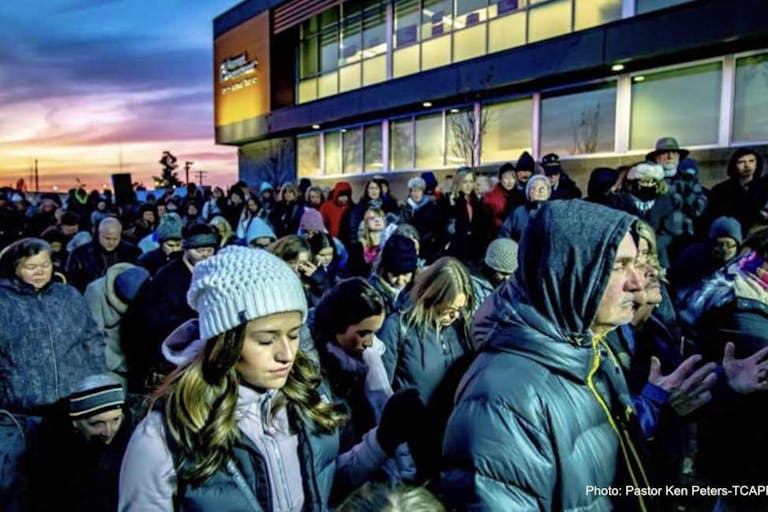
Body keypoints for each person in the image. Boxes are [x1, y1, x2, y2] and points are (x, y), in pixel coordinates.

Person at [441, 200, 651, 511]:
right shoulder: (505, 401)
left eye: (635, 264)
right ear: (569, 271)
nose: (637, 282)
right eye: (619, 265)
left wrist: (665, 406)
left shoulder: (591, 349)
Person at [312, 278, 425, 496]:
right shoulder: (312, 376)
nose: (370, 342)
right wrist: (381, 441)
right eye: (364, 333)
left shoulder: (368, 359)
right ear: (336, 325)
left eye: (375, 332)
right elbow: (327, 473)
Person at [378, 257, 475, 479]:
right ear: (431, 298)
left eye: (460, 309)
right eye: (449, 309)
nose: (455, 315)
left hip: (453, 445)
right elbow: (380, 393)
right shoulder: (398, 328)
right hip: (412, 450)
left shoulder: (462, 328)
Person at [0, 238, 105, 414]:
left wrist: (97, 378)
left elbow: (92, 338)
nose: (40, 272)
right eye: (31, 267)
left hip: (74, 401)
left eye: (45, 265)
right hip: (21, 408)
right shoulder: (3, 302)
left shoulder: (68, 295)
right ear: (15, 269)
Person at [27, 374, 134, 512]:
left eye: (115, 420)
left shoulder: (129, 430)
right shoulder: (53, 443)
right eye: (96, 423)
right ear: (75, 422)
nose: (108, 431)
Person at [143, 224, 219, 374]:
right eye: (199, 251)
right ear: (187, 249)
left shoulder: (216, 273)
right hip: (174, 357)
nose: (205, 255)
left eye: (209, 251)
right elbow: (156, 321)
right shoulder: (166, 277)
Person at [84, 263, 151, 384]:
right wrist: (117, 363)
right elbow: (92, 339)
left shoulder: (145, 286)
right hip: (110, 360)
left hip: (137, 358)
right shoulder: (95, 292)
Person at [607, 161, 675, 266]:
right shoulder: (618, 200)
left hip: (657, 257)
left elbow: (668, 230)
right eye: (644, 181)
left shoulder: (664, 200)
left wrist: (653, 246)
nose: (648, 184)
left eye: (652, 181)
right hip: (627, 256)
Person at [66, 217, 141, 292]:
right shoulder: (79, 254)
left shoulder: (133, 253)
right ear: (99, 234)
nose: (111, 242)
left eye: (115, 239)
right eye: (107, 238)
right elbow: (72, 284)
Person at [704, 147, 768, 235]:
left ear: (757, 164)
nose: (747, 165)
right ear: (734, 165)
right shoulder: (720, 190)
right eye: (741, 162)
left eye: (751, 161)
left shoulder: (764, 187)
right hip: (731, 236)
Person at [442, 168, 493, 270]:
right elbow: (444, 227)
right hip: (455, 252)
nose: (468, 185)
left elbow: (484, 227)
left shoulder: (477, 202)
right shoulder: (449, 201)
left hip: (475, 252)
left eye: (471, 181)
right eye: (465, 182)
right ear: (458, 182)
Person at [368, 234, 418, 316]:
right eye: (395, 275)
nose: (400, 281)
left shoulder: (417, 290)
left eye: (405, 274)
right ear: (384, 271)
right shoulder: (372, 293)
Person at [399, 177, 444, 265]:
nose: (416, 194)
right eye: (413, 191)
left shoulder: (432, 206)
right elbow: (403, 226)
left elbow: (437, 227)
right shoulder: (405, 208)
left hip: (429, 246)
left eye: (419, 190)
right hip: (410, 245)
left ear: (423, 191)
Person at [470, 238, 518, 316]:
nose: (507, 278)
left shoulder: (511, 287)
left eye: (511, 274)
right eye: (503, 273)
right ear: (490, 268)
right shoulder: (474, 287)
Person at [498, 174, 551, 241]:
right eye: (534, 188)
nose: (539, 191)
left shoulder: (556, 212)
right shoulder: (518, 213)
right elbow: (503, 237)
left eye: (542, 188)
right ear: (528, 193)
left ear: (549, 192)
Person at [483, 163, 517, 231]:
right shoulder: (490, 198)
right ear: (500, 179)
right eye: (506, 178)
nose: (509, 181)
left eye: (513, 177)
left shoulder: (520, 196)